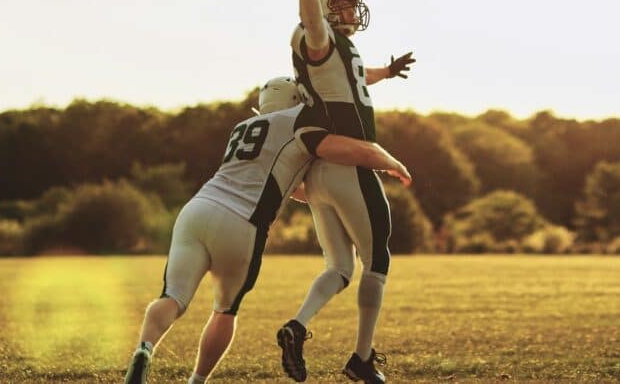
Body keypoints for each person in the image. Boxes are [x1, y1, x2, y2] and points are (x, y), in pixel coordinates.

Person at [123, 77, 412, 384]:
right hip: (240, 223)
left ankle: (145, 348)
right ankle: (197, 381)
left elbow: (286, 184)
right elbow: (346, 150)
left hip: (197, 209)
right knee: (224, 311)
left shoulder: (242, 128)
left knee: (173, 297)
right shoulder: (298, 122)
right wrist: (388, 160)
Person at [277, 0, 415, 384]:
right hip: (347, 164)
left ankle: (297, 325)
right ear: (325, 6)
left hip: (319, 176)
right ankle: (361, 358)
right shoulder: (318, 36)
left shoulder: (340, 52)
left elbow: (354, 78)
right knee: (377, 260)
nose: (352, 12)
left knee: (339, 267)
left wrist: (388, 73)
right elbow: (311, 20)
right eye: (343, 5)